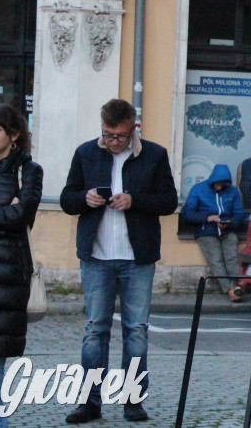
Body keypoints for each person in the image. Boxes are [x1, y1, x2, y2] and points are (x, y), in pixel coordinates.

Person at [60, 98, 178, 424]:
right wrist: (84, 198)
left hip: (137, 258)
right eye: (108, 134)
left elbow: (169, 201)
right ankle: (89, 402)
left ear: (133, 128)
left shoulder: (154, 155)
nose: (113, 141)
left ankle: (132, 400)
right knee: (95, 330)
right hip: (96, 257)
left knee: (136, 331)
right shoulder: (86, 152)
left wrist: (134, 200)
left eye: (120, 136)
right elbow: (67, 199)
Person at [0, 105, 42, 428]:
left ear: (14, 134)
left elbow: (22, 216)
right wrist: (6, 213)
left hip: (9, 277)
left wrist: (12, 213)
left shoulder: (29, 171)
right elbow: (11, 215)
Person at [182, 164, 247, 302]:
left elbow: (239, 214)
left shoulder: (233, 191)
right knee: (216, 260)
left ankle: (237, 286)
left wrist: (229, 223)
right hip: (206, 231)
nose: (219, 188)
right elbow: (187, 213)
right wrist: (207, 218)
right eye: (217, 184)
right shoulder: (198, 190)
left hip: (227, 230)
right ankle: (231, 289)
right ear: (212, 181)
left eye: (223, 185)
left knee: (232, 258)